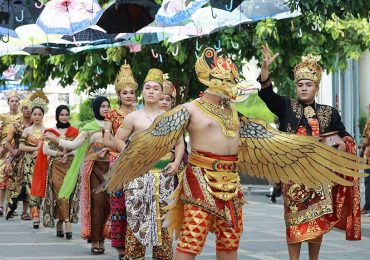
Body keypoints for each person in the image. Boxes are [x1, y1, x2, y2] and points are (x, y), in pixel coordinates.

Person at [103, 47, 368, 260]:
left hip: (231, 185)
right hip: (200, 183)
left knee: (230, 244)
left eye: (232, 79)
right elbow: (154, 139)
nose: (232, 84)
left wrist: (314, 151)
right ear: (212, 82)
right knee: (190, 244)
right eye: (227, 80)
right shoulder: (189, 109)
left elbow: (271, 140)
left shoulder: (234, 114)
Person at [258, 44, 362, 260]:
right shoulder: (286, 107)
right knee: (294, 222)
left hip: (320, 178)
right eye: (300, 85)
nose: (304, 88)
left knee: (317, 223)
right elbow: (267, 94)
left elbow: (345, 137)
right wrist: (265, 70)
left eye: (308, 84)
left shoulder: (329, 113)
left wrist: (343, 145)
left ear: (316, 88)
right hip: (293, 176)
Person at [107, 68, 184, 260]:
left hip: (164, 177)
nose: (151, 91)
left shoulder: (172, 118)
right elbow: (118, 140)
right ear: (142, 92)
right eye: (147, 87)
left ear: (161, 93)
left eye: (155, 88)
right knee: (136, 221)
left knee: (164, 224)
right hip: (138, 177)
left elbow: (180, 143)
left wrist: (175, 162)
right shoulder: (134, 117)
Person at [45, 96, 111, 255]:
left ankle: (103, 239)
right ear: (96, 108)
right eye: (102, 106)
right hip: (94, 169)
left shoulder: (115, 124)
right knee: (96, 204)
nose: (106, 108)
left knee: (109, 205)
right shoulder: (89, 127)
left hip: (112, 169)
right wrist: (56, 140)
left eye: (108, 106)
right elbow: (74, 145)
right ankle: (95, 240)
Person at [103, 62, 137, 260]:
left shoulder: (141, 113)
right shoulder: (112, 115)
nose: (129, 96)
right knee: (118, 205)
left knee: (137, 203)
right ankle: (120, 247)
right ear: (118, 95)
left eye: (132, 92)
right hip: (117, 162)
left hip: (138, 163)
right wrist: (121, 148)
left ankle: (135, 244)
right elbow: (107, 140)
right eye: (125, 93)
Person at [32, 105, 79, 239]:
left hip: (71, 166)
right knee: (60, 193)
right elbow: (45, 151)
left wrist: (68, 153)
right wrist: (59, 153)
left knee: (68, 195)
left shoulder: (75, 131)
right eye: (62, 114)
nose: (64, 117)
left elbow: (79, 148)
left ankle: (60, 222)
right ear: (57, 115)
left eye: (66, 114)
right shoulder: (50, 132)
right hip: (55, 166)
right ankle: (67, 223)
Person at [19, 91, 49, 229]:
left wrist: (41, 151)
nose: (37, 117)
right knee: (31, 188)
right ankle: (35, 215)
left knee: (41, 187)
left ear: (43, 115)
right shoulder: (27, 130)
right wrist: (36, 149)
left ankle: (39, 212)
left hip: (42, 162)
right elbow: (21, 146)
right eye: (34, 114)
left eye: (39, 114)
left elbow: (50, 147)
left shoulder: (47, 131)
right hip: (29, 162)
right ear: (31, 115)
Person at [4, 97, 32, 220]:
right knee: (14, 184)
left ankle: (25, 212)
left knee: (28, 185)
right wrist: (14, 151)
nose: (28, 110)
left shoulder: (36, 126)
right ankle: (9, 208)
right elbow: (6, 143)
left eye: (30, 108)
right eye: (25, 108)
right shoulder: (16, 126)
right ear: (22, 109)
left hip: (31, 159)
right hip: (17, 159)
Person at [0, 90, 22, 216]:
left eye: (16, 101)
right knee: (2, 177)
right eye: (12, 101)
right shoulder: (2, 116)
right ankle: (0, 206)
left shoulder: (22, 117)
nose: (14, 103)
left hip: (16, 150)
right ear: (8, 103)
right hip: (4, 149)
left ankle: (11, 206)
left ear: (19, 103)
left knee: (14, 178)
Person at [360, 104, 370, 214]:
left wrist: (362, 149)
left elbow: (366, 140)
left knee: (368, 182)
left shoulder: (369, 124)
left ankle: (367, 207)